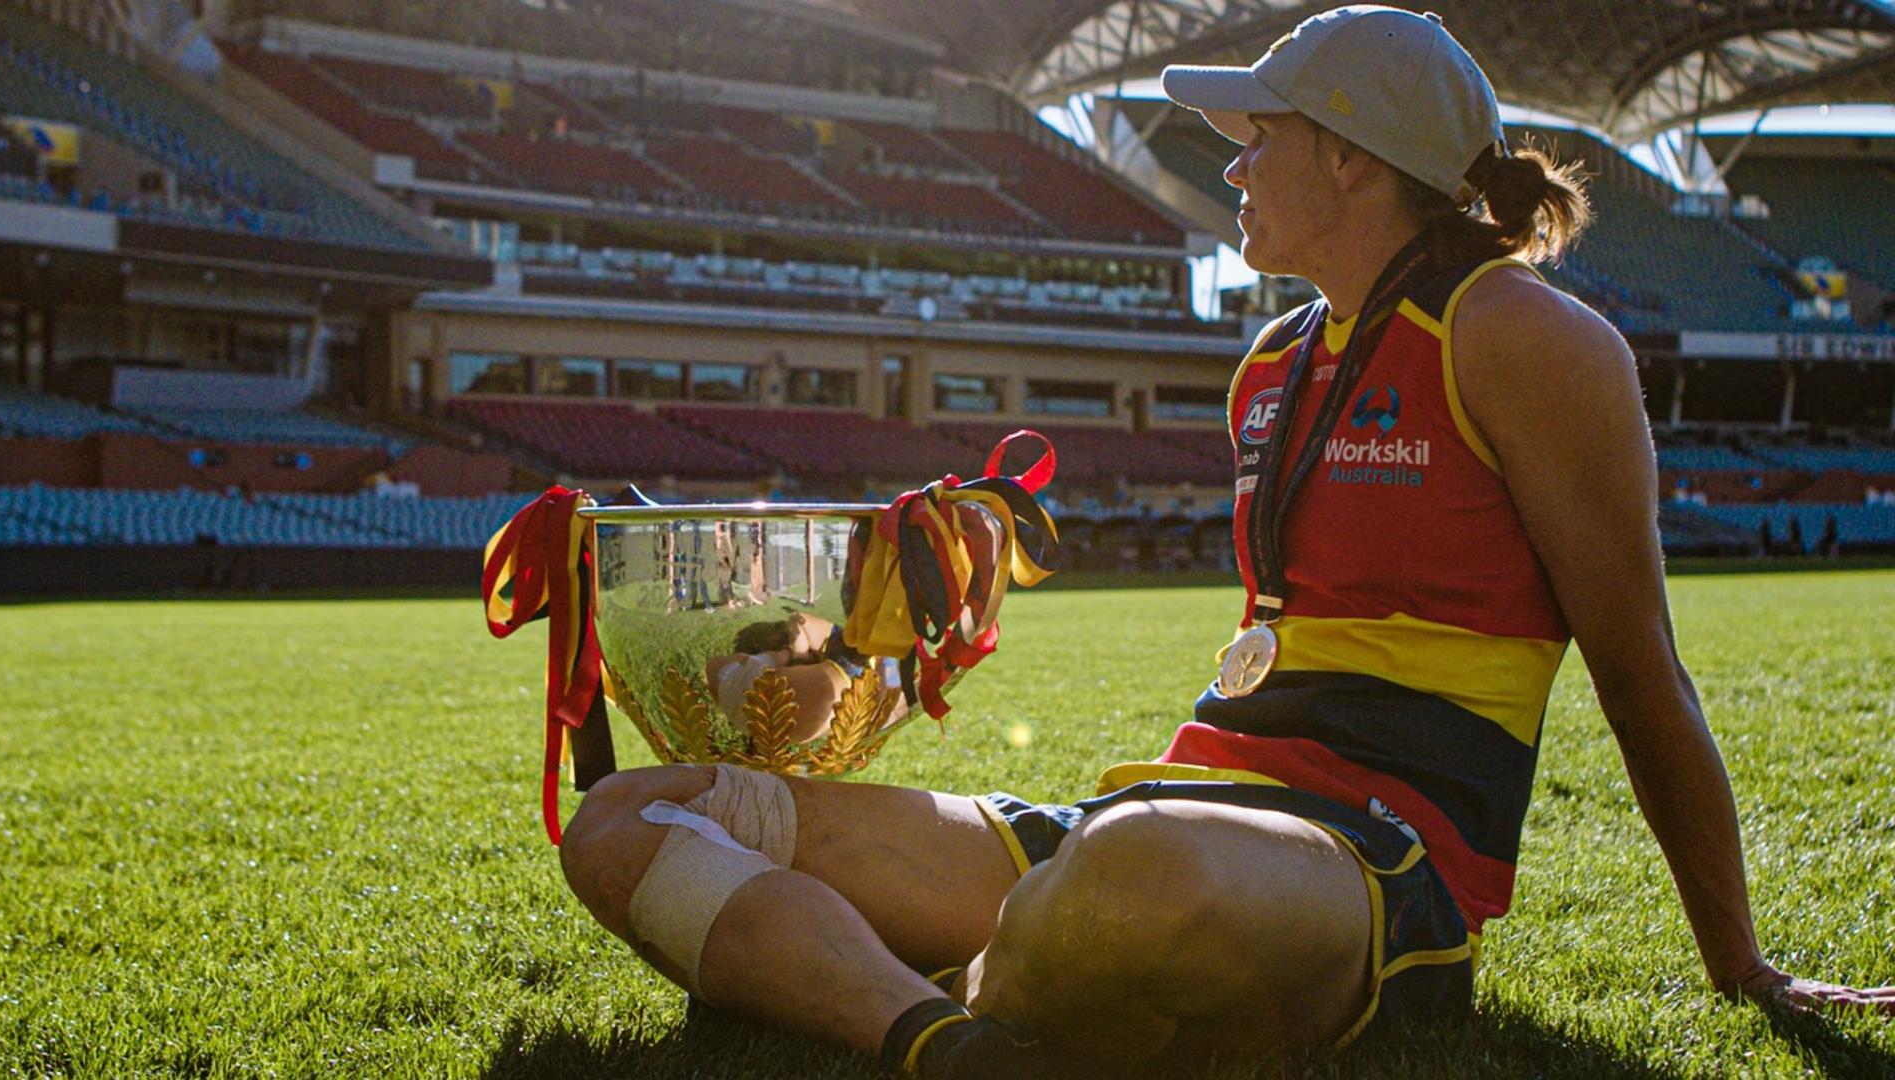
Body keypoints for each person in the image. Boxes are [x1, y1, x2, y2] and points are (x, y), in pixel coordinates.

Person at [556, 6, 1895, 1076]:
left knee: (1130, 881)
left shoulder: (1530, 340)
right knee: (630, 818)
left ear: (1354, 158)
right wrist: (890, 662)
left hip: (1372, 865)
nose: (1231, 165)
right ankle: (941, 1039)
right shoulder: (1271, 362)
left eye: (1256, 138)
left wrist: (1741, 966)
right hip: (1167, 818)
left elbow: (1638, 669)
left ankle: (896, 977)